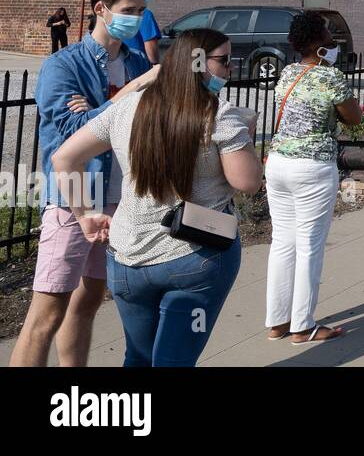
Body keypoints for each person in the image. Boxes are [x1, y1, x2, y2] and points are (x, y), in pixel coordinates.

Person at [49, 29, 261, 366]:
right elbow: (247, 181)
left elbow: (63, 159)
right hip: (195, 256)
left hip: (126, 262)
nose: (230, 69)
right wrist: (244, 137)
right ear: (198, 63)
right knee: (175, 360)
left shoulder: (127, 107)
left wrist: (84, 214)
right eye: (223, 61)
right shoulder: (218, 114)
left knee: (137, 355)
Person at [12, 0, 157, 368]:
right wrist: (132, 91)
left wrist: (102, 109)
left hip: (120, 198)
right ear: (101, 9)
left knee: (89, 299)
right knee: (47, 312)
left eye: (142, 10)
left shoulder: (135, 60)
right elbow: (72, 131)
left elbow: (137, 124)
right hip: (74, 200)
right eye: (129, 10)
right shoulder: (65, 65)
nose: (137, 18)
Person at [265, 11, 363, 343]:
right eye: (326, 32)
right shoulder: (331, 77)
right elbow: (353, 119)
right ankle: (303, 326)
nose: (331, 36)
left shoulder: (287, 72)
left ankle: (277, 322)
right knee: (309, 247)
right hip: (312, 168)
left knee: (282, 243)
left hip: (278, 164)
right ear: (317, 41)